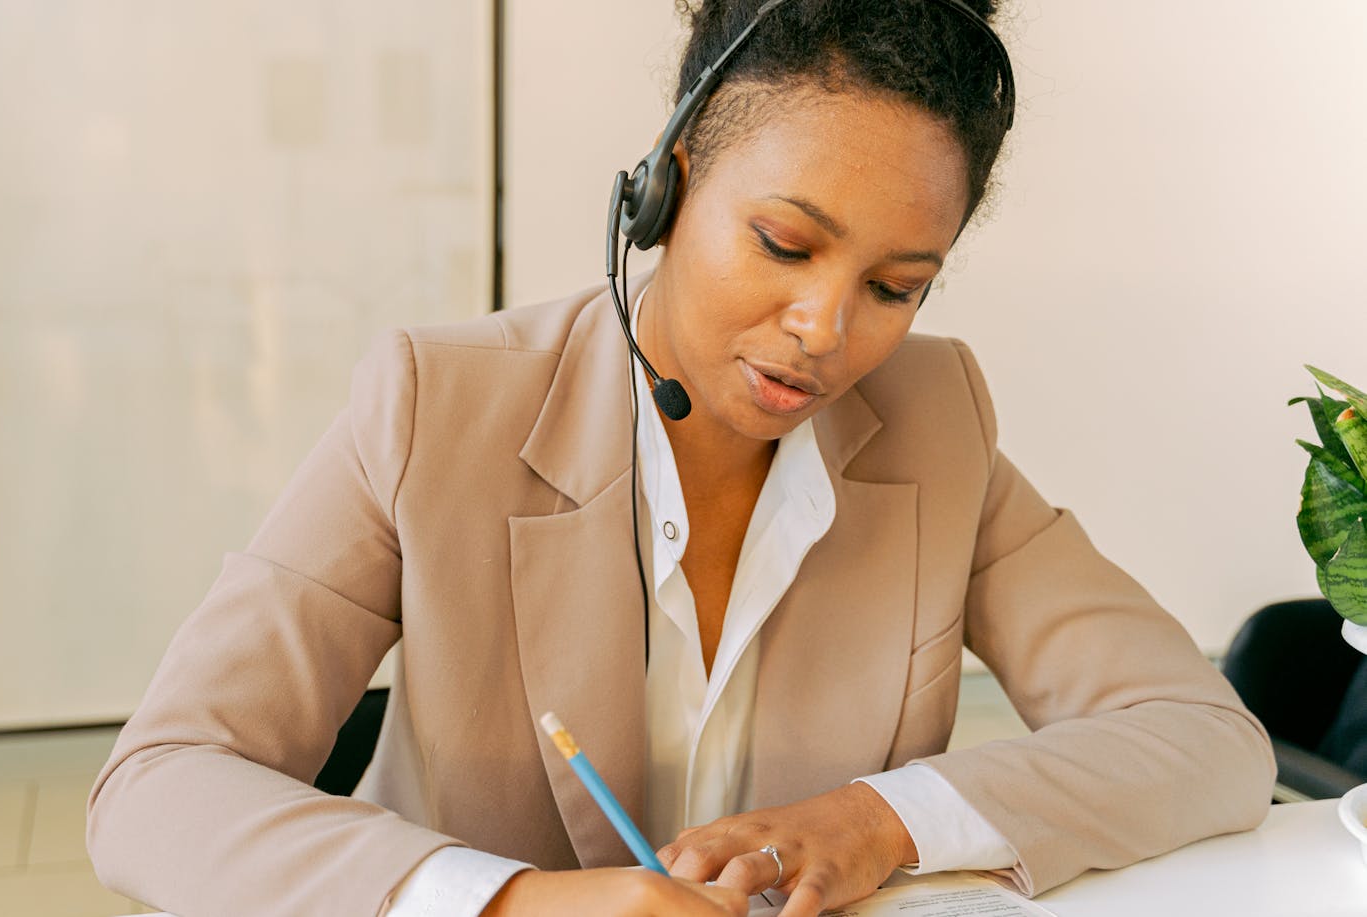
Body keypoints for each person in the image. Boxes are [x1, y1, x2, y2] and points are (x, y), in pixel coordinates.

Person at [85, 1, 1277, 915]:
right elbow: (158, 785)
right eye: (781, 242)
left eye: (892, 286)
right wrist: (511, 901)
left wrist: (875, 819)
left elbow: (1204, 737)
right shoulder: (432, 404)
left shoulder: (934, 421)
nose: (824, 329)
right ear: (667, 185)